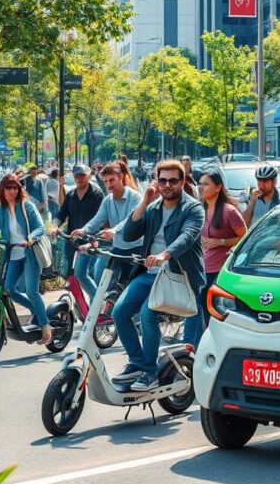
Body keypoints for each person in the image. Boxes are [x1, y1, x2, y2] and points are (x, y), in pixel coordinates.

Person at [112, 159, 205, 391]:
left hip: (177, 276)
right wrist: (145, 201)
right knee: (119, 312)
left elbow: (188, 236)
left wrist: (166, 254)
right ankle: (137, 362)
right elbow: (131, 232)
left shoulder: (193, 208)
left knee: (147, 314)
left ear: (182, 182)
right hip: (150, 274)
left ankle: (150, 373)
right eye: (162, 180)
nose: (167, 185)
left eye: (173, 180)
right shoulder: (153, 207)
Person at [0, 174, 52, 344]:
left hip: (30, 253)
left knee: (31, 291)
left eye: (15, 188)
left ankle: (46, 325)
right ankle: (34, 310)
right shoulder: (1, 209)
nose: (12, 191)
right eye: (8, 188)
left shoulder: (26, 205)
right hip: (12, 254)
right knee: (7, 289)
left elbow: (40, 228)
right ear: (2, 190)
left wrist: (30, 238)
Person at [186, 170, 246, 346]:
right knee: (195, 310)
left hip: (219, 272)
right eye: (200, 183)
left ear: (218, 187)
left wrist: (221, 241)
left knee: (213, 314)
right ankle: (193, 349)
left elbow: (245, 238)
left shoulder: (229, 211)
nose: (200, 187)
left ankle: (215, 346)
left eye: (205, 184)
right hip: (200, 269)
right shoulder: (199, 209)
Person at [74, 161, 144, 296]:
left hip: (136, 251)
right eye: (105, 181)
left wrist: (115, 230)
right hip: (117, 249)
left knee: (132, 291)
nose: (108, 184)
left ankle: (133, 315)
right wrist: (83, 230)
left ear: (121, 177)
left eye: (112, 180)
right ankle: (109, 313)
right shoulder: (108, 200)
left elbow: (130, 219)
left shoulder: (135, 197)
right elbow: (98, 219)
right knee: (103, 284)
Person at [50, 165, 105, 295]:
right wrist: (54, 225)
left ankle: (96, 304)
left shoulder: (97, 195)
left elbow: (101, 218)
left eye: (82, 175)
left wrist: (95, 238)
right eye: (76, 176)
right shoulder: (71, 195)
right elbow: (61, 214)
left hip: (90, 242)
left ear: (89, 176)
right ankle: (78, 303)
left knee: (88, 274)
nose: (79, 179)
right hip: (72, 241)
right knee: (71, 275)